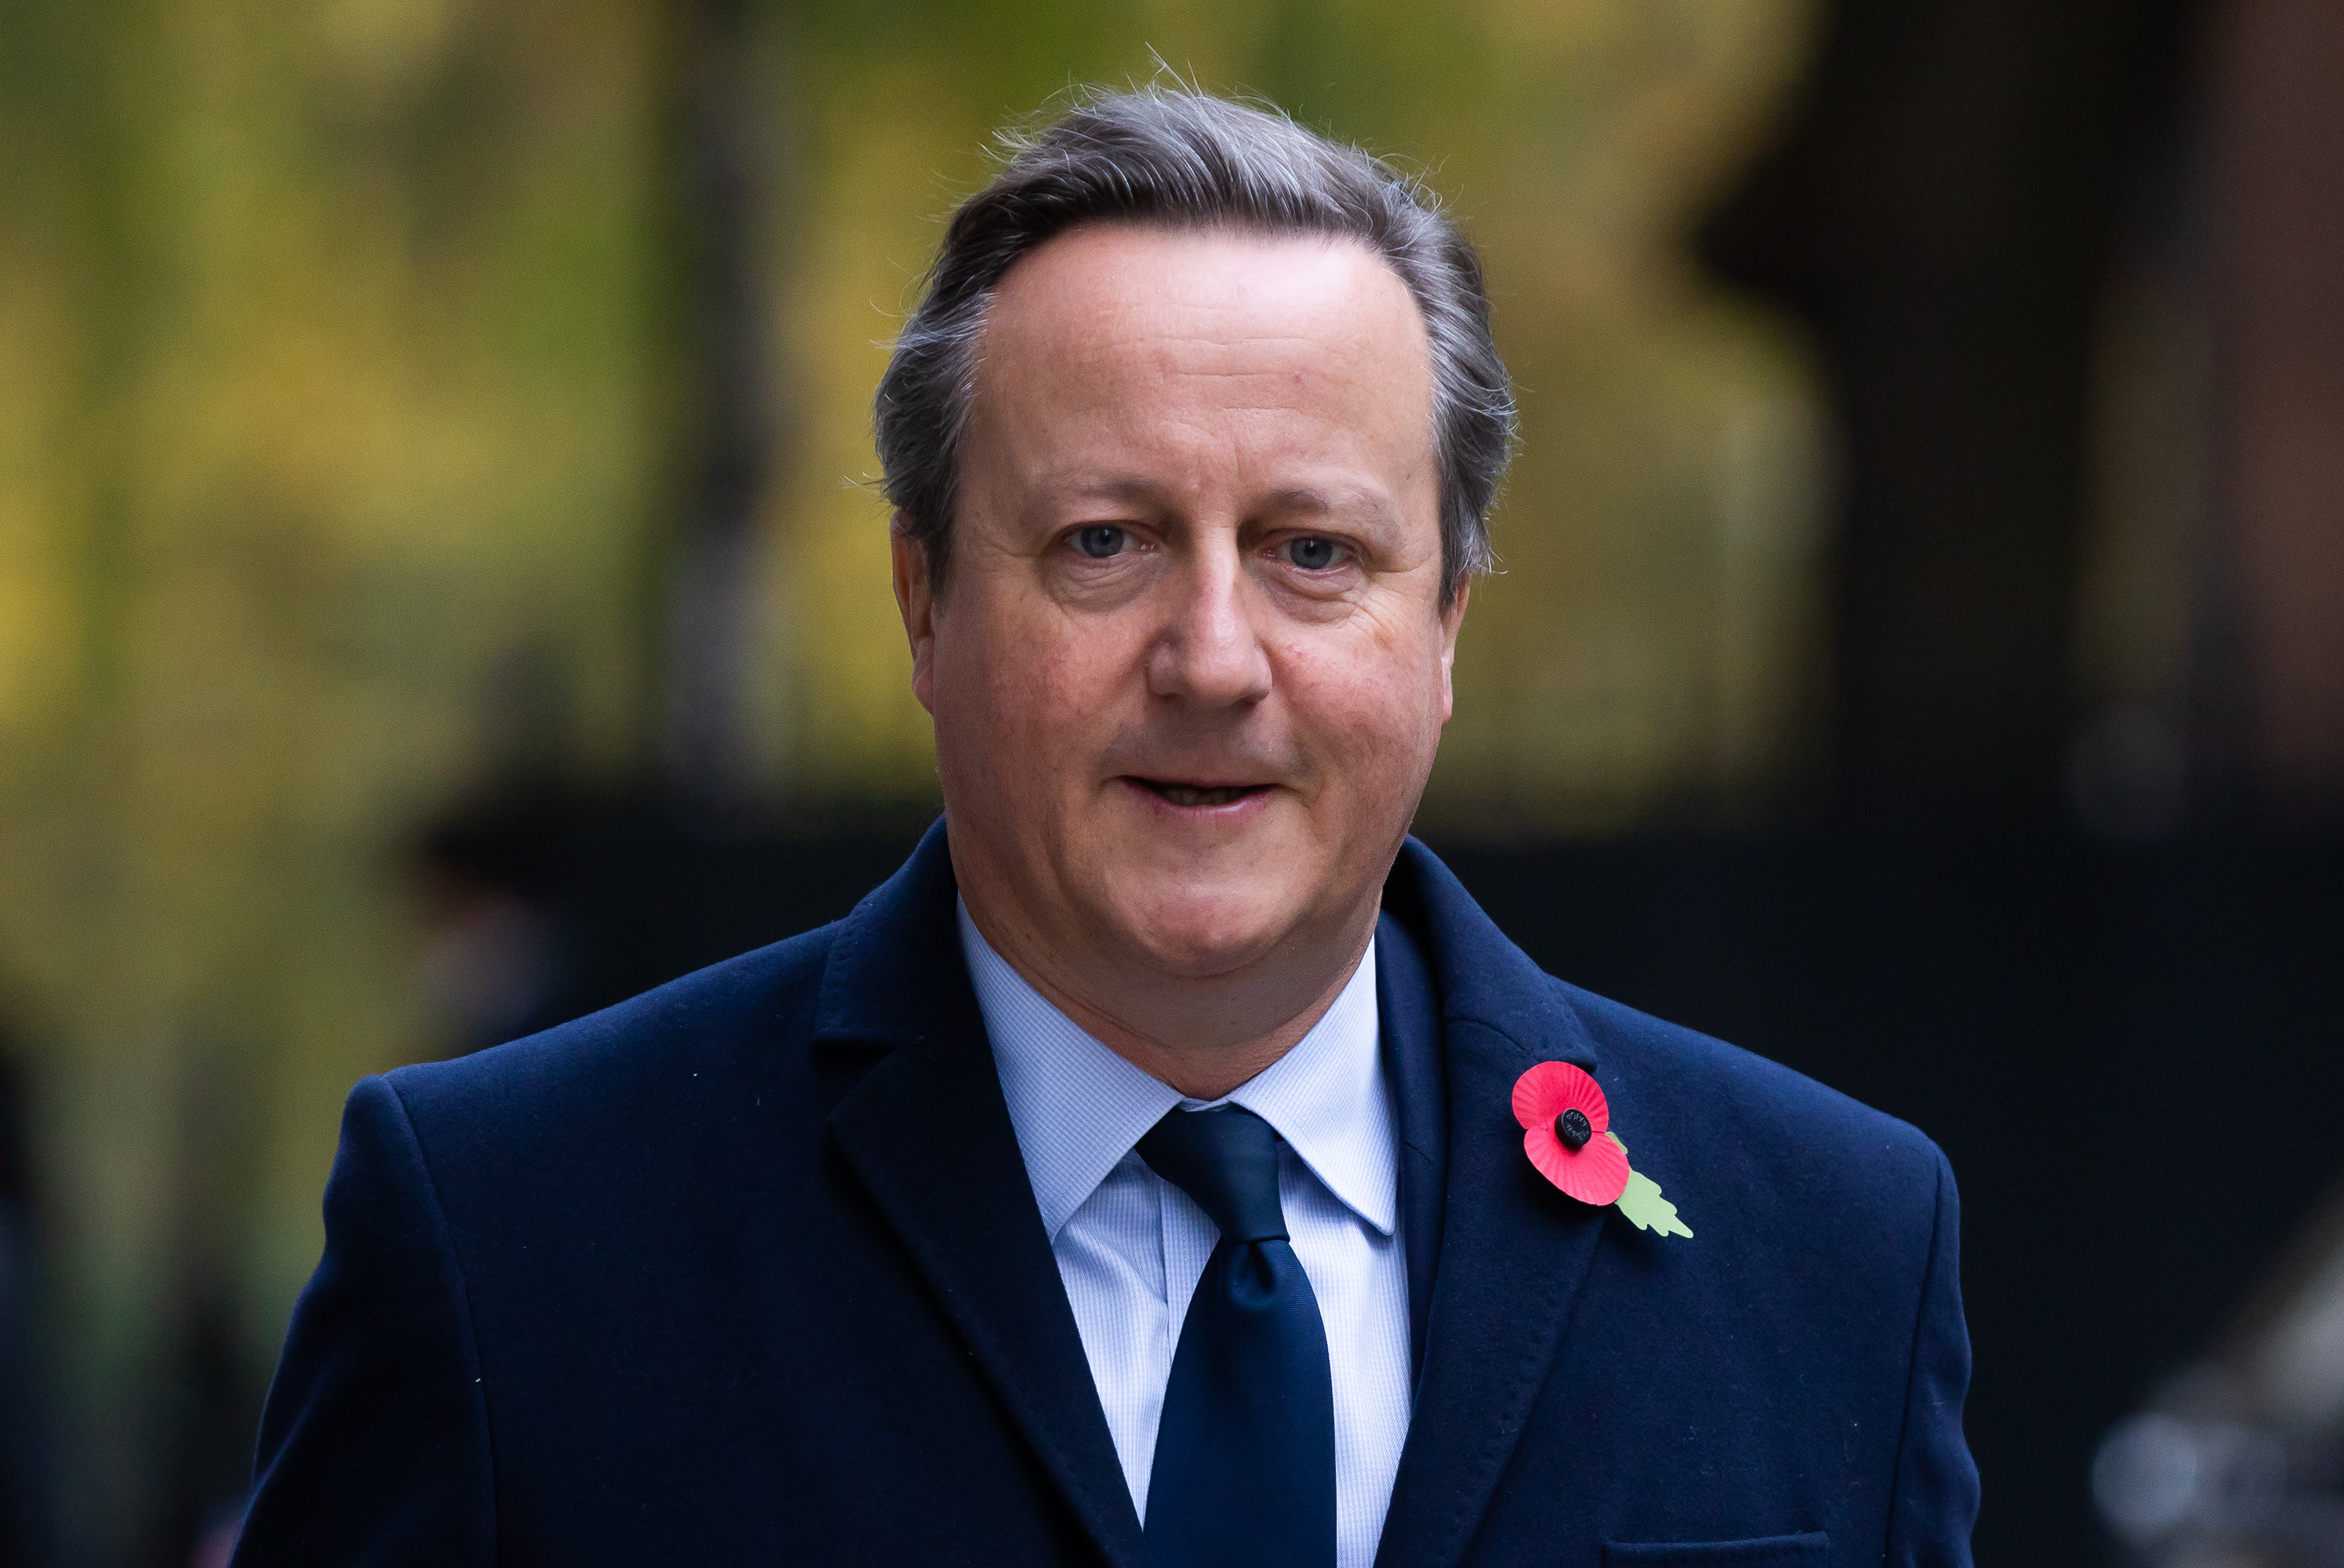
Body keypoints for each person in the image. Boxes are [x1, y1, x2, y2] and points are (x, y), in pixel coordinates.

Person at [232, 89, 1978, 1567]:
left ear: (1445, 623)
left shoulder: (1831, 1256)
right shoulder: (512, 1247)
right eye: (1105, 543)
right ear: (924, 601)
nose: (1213, 658)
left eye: (1313, 552)